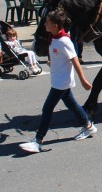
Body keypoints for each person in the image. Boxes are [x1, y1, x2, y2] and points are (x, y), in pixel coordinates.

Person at [19, 8, 96, 154]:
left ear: (55, 26)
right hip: (58, 80)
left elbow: (74, 61)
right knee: (71, 104)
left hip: (61, 82)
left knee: (47, 109)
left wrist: (83, 80)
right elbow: (60, 56)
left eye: (47, 22)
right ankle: (88, 125)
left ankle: (38, 141)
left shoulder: (64, 41)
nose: (44, 25)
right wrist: (52, 62)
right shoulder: (54, 38)